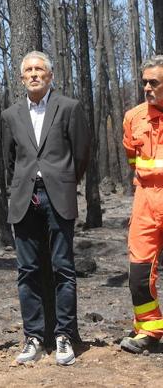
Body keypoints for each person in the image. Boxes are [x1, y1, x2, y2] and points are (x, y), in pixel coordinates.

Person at [1, 51, 90, 366]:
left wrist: (62, 181)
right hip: (25, 198)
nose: (34, 74)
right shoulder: (11, 115)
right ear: (22, 77)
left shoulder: (69, 108)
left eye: (40, 69)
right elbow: (9, 160)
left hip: (58, 197)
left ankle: (64, 335)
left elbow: (81, 154)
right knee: (27, 271)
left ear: (50, 76)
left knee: (63, 268)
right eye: (29, 70)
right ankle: (33, 337)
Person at [120, 54, 163, 353]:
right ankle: (148, 329)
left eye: (154, 82)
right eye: (144, 82)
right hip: (145, 199)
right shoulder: (133, 117)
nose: (147, 87)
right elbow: (132, 159)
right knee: (139, 271)